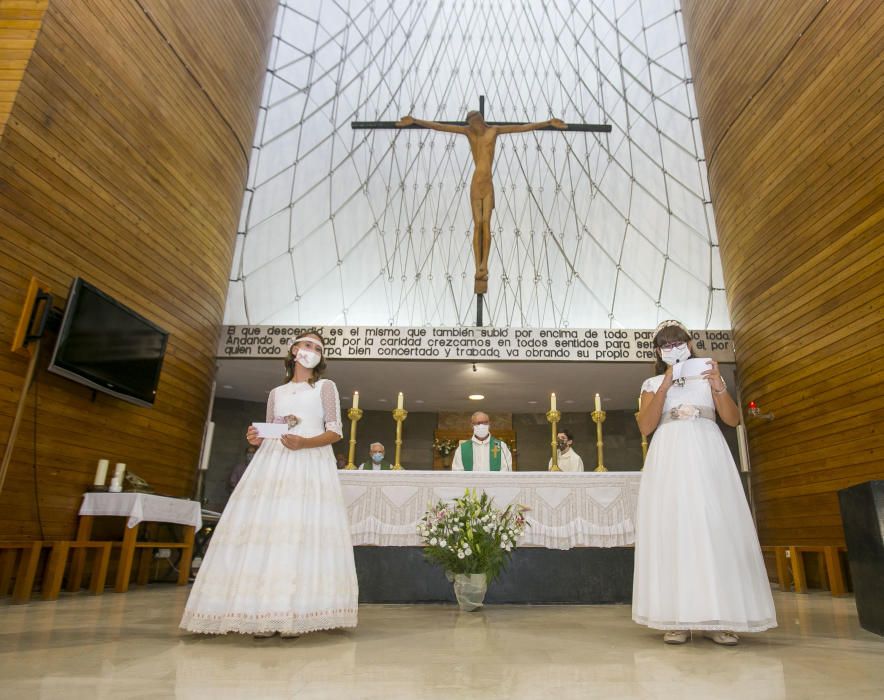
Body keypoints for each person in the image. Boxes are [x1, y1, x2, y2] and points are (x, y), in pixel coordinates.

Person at [180, 332, 358, 637]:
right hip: (272, 465)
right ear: (293, 350)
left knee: (298, 531)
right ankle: (260, 611)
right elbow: (270, 430)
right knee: (269, 531)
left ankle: (295, 613)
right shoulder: (276, 392)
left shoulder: (325, 387)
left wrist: (304, 442)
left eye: (318, 348)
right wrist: (257, 437)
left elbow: (335, 432)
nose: (311, 351)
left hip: (309, 462)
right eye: (307, 345)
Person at [632, 320, 776, 645]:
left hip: (708, 453)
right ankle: (676, 616)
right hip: (670, 457)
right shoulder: (652, 382)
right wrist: (666, 385)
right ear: (657, 351)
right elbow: (645, 426)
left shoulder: (710, 374)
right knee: (676, 529)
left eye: (678, 342)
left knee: (715, 528)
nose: (673, 348)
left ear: (690, 343)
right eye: (665, 344)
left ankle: (721, 616)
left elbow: (732, 419)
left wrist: (719, 385)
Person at [396, 111, 566, 293]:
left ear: (479, 120)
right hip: (476, 185)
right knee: (478, 225)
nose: (473, 126)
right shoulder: (469, 133)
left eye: (474, 122)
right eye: (470, 123)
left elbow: (522, 128)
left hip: (488, 185)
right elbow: (440, 126)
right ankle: (478, 266)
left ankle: (484, 264)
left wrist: (548, 122)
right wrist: (415, 120)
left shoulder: (494, 130)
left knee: (486, 224)